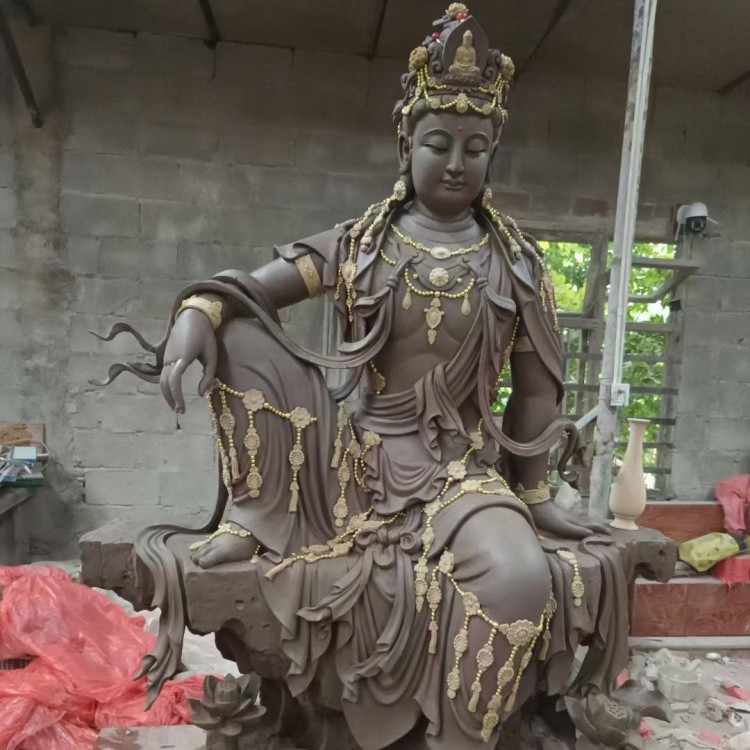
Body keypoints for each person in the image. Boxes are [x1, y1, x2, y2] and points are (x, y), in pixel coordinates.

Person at [98, 6, 609, 748]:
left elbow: (535, 392)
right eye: (438, 143)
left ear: (494, 153)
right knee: (238, 328)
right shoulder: (361, 244)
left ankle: (461, 738)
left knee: (522, 578)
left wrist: (535, 496)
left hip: (458, 473)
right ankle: (257, 514)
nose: (456, 162)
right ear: (405, 145)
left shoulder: (519, 266)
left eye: (475, 147)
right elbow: (248, 290)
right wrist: (198, 312)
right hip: (347, 465)